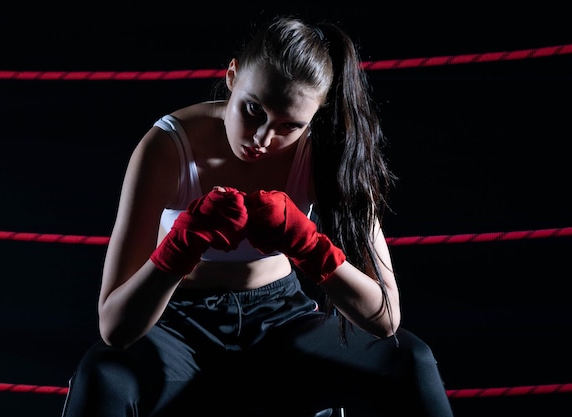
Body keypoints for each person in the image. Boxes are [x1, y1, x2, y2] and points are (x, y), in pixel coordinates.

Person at [60, 16, 454, 417]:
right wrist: (181, 246)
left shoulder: (326, 154)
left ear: (312, 118)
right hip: (176, 324)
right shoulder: (167, 147)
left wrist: (308, 245)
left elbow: (385, 318)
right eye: (253, 110)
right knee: (103, 374)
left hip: (282, 321)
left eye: (290, 125)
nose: (263, 139)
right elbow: (114, 327)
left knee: (410, 359)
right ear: (232, 76)